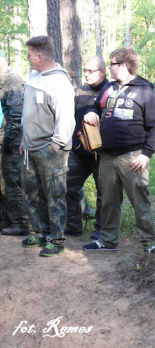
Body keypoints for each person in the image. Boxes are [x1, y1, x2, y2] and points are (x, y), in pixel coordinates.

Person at [82, 47, 155, 253]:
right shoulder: (108, 88)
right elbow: (96, 106)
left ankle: (150, 241)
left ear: (125, 65)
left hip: (133, 157)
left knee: (139, 200)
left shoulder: (145, 91)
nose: (109, 68)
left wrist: (146, 155)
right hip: (107, 156)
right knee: (109, 201)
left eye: (112, 64)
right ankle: (108, 240)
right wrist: (91, 113)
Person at [20, 36, 75, 257]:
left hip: (50, 149)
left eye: (30, 54)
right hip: (29, 148)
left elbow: (66, 119)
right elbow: (29, 113)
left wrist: (56, 145)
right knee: (32, 192)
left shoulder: (59, 82)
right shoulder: (34, 76)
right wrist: (25, 140)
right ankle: (40, 232)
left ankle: (57, 239)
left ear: (40, 56)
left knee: (54, 193)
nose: (28, 57)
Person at [64, 56, 108, 240]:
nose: (87, 74)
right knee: (68, 187)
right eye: (86, 71)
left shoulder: (111, 90)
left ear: (103, 72)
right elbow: (70, 116)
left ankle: (101, 229)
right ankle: (73, 226)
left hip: (102, 154)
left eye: (91, 71)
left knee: (104, 193)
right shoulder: (80, 91)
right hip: (79, 152)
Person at [0, 49, 30, 236]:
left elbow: (16, 116)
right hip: (4, 138)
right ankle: (6, 219)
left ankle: (20, 222)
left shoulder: (12, 80)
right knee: (3, 182)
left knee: (11, 181)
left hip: (11, 140)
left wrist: (10, 144)